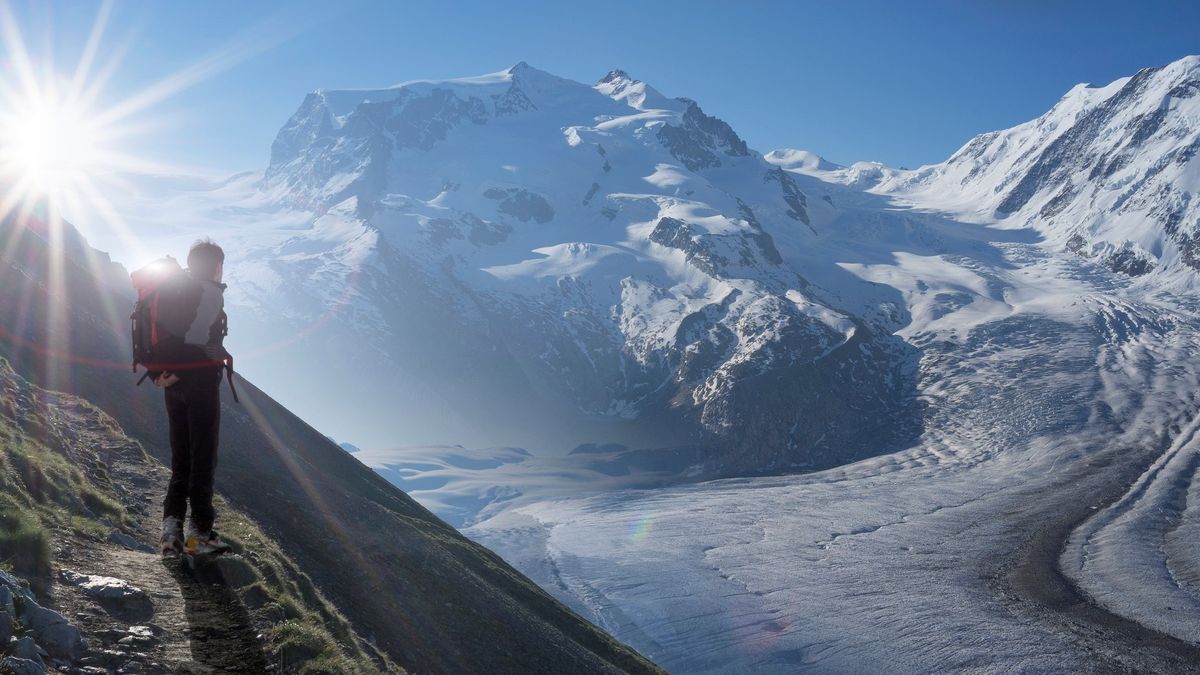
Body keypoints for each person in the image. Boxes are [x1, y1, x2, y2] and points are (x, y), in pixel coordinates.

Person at [154, 239, 234, 556]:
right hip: (198, 384)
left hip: (172, 386)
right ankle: (199, 533)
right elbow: (195, 339)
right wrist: (187, 369)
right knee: (202, 458)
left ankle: (170, 531)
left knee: (181, 460)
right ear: (216, 265)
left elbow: (168, 338)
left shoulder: (174, 292)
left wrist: (163, 373)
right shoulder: (209, 293)